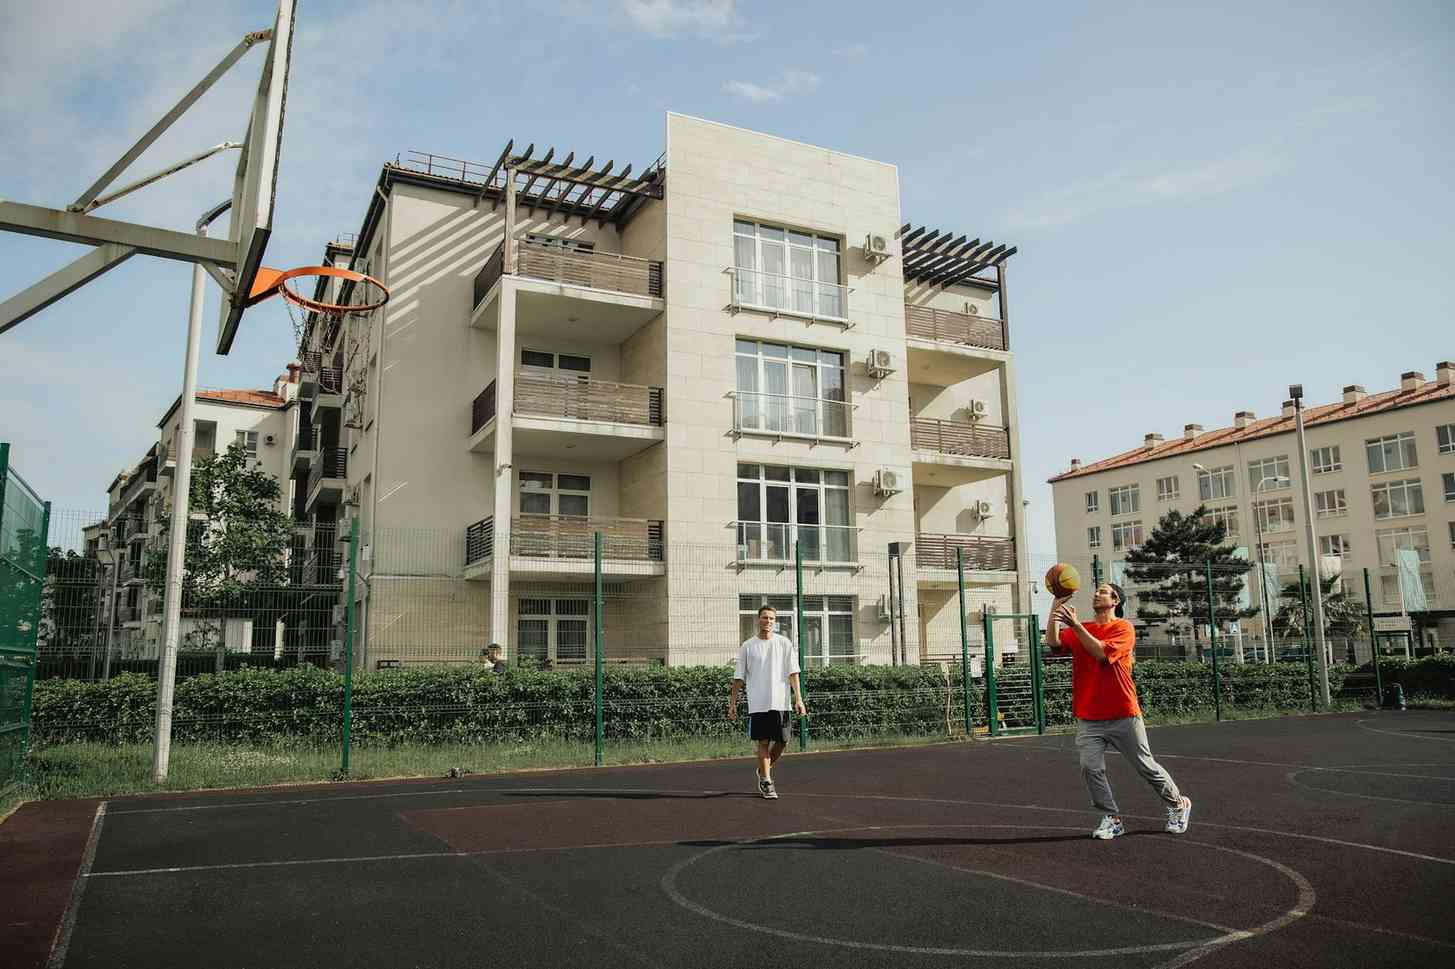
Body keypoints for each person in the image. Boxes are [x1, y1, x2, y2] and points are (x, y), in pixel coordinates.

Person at [1045, 582, 1192, 840]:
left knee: (1146, 766)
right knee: (1090, 767)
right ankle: (1111, 819)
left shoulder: (1123, 628)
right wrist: (1055, 608)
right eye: (1096, 590)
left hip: (1123, 713)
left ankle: (1178, 804)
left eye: (1103, 591)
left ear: (1116, 601)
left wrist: (1075, 626)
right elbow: (1053, 642)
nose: (1097, 593)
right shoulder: (1084, 628)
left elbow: (1101, 654)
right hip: (1090, 716)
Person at [728, 605, 807, 799]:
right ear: (758, 620)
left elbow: (793, 673)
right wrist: (732, 703)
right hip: (758, 704)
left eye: (771, 618)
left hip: (781, 702)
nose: (768, 621)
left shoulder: (784, 643)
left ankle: (764, 769)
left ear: (775, 621)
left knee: (783, 741)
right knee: (763, 742)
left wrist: (798, 699)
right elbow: (738, 678)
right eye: (765, 617)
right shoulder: (748, 646)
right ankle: (766, 781)